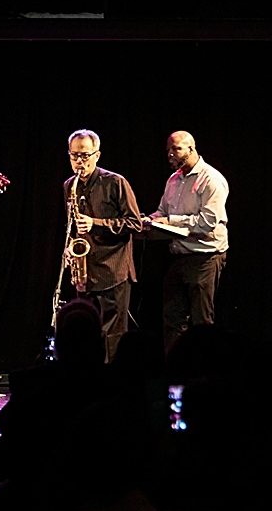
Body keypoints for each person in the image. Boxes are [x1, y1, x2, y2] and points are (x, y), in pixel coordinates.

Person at [145, 130, 229, 353]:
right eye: (168, 150)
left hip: (205, 257)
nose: (170, 154)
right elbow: (162, 212)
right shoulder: (173, 180)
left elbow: (207, 222)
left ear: (191, 149)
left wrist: (170, 221)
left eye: (176, 149)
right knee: (172, 319)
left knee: (202, 322)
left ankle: (204, 374)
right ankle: (175, 370)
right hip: (179, 256)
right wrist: (147, 221)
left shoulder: (212, 180)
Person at [63, 129, 143, 363]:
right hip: (86, 273)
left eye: (85, 156)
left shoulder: (116, 182)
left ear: (97, 155)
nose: (79, 162)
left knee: (113, 337)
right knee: (88, 337)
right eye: (74, 156)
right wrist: (70, 248)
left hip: (113, 271)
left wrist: (96, 224)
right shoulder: (70, 185)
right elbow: (72, 227)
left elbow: (135, 224)